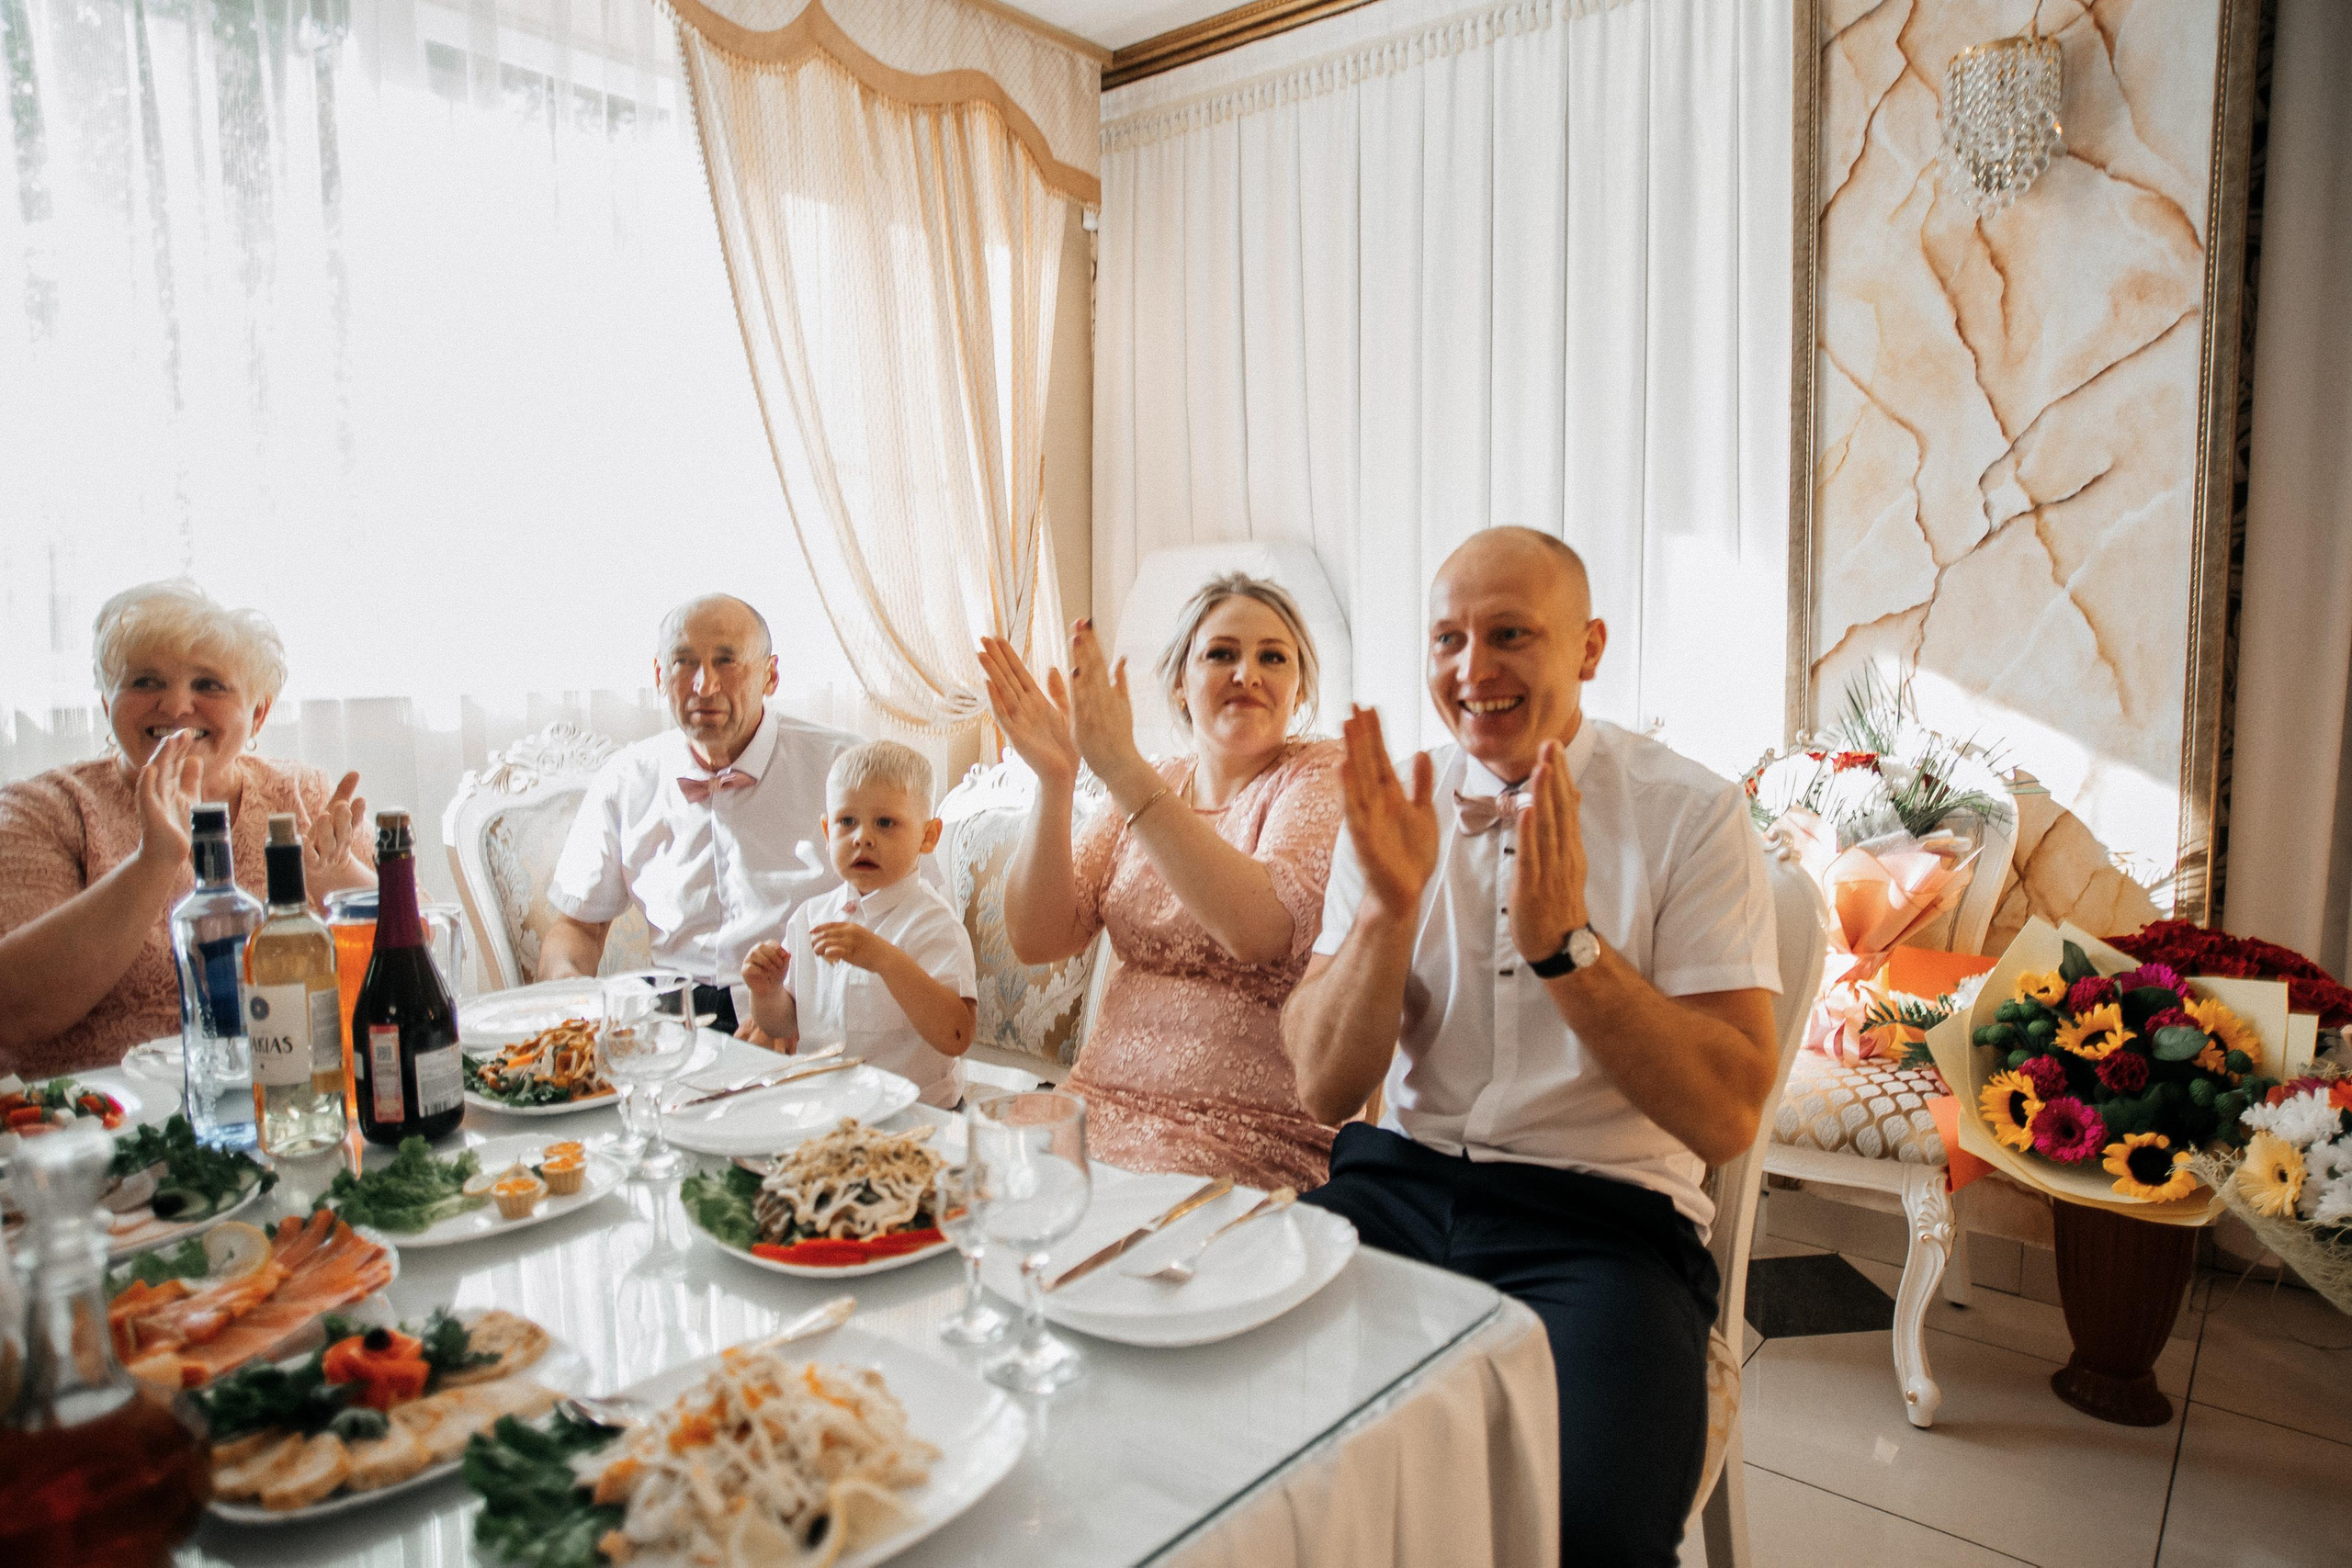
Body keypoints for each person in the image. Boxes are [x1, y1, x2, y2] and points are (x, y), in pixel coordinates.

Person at [1282, 527, 1781, 1566]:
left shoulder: (1690, 813)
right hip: (1396, 1193)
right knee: (1241, 1450)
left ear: (1588, 648)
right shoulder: (1391, 814)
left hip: (1603, 1229)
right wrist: (1383, 910)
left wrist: (1570, 952)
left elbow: (1726, 1113)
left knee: (1587, 1525)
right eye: (1447, 639)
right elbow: (1325, 1086)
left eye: (1510, 633)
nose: (1473, 670)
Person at [978, 574, 1344, 1191]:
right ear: (1180, 681)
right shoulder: (1154, 781)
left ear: (1299, 686)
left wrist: (1120, 767)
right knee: (969, 1189)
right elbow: (1038, 937)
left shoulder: (1319, 773)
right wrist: (1056, 779)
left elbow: (1258, 927)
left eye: (1272, 657)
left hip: (1244, 1132)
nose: (1247, 673)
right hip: (1094, 1103)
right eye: (1221, 653)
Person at [0, 581, 375, 1077]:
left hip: (294, 1095)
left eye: (209, 685)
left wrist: (339, 878)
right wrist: (151, 866)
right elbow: (14, 1014)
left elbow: (414, 955)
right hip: (106, 1122)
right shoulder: (45, 808)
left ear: (258, 713)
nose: (176, 706)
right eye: (145, 682)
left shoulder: (302, 794)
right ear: (106, 702)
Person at [543, 593, 859, 1035]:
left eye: (727, 662)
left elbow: (906, 913)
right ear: (658, 674)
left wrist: (797, 1016)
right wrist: (571, 999)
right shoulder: (626, 777)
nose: (704, 685)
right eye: (684, 662)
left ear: (771, 675)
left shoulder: (845, 769)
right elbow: (576, 926)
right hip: (672, 1024)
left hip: (812, 1016)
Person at [741, 741, 978, 1109]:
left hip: (914, 1114)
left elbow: (957, 1035)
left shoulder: (933, 923)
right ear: (826, 830)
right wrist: (765, 992)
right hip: (823, 1105)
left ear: (928, 836)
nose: (862, 837)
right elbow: (784, 1025)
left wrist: (883, 958)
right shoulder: (809, 917)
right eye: (846, 821)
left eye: (885, 823)